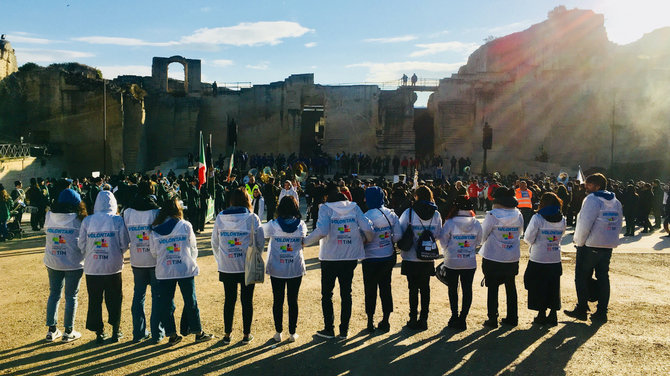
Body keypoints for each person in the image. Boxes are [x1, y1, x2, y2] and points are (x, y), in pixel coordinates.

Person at [304, 183, 374, 339]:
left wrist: (305, 241)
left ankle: (329, 328)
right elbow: (368, 228)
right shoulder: (354, 207)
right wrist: (366, 240)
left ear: (327, 196)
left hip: (330, 256)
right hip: (349, 256)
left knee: (327, 294)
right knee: (346, 293)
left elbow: (322, 230)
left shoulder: (325, 208)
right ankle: (344, 330)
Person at [150, 196, 212, 345]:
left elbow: (153, 252)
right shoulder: (185, 225)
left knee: (166, 303)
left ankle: (172, 334)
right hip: (184, 268)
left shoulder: (155, 230)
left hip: (165, 270)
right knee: (191, 301)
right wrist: (190, 259)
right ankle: (198, 331)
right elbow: (193, 247)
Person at [565, 173, 622, 323]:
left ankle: (582, 309)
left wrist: (579, 242)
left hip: (590, 245)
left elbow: (584, 223)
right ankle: (602, 311)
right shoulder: (615, 201)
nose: (585, 186)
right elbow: (618, 223)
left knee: (582, 277)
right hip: (607, 245)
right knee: (603, 277)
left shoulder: (591, 199)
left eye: (588, 184)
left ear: (597, 186)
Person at [211, 188, 264, 345]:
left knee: (229, 299)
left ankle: (227, 334)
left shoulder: (220, 217)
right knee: (247, 300)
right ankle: (246, 334)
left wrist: (220, 259)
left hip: (227, 265)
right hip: (247, 263)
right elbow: (260, 241)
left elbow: (215, 241)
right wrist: (255, 255)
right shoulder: (252, 218)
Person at [78, 191, 130, 343]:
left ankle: (99, 332)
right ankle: (116, 329)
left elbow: (81, 244)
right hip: (112, 267)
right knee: (114, 299)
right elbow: (124, 243)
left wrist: (90, 252)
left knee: (94, 300)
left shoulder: (87, 221)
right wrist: (116, 252)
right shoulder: (117, 220)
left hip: (92, 268)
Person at [43, 188, 87, 342]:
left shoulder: (49, 215)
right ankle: (69, 330)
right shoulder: (79, 219)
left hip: (53, 260)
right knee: (71, 296)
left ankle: (51, 330)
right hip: (73, 263)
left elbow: (45, 232)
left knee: (54, 294)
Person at [262, 196, 307, 343]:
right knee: (293, 300)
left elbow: (259, 233)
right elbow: (303, 240)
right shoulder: (301, 225)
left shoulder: (273, 225)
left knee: (278, 300)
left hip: (277, 268)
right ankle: (293, 332)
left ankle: (278, 332)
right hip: (294, 267)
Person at [123, 181, 164, 343]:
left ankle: (138, 332)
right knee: (157, 297)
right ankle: (157, 333)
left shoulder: (128, 212)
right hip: (154, 260)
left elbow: (125, 236)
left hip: (137, 259)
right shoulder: (157, 211)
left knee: (138, 296)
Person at [398, 185, 443, 331]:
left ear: (416, 196)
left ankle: (412, 317)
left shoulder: (409, 212)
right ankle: (424, 319)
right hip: (427, 257)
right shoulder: (436, 214)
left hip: (410, 256)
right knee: (425, 289)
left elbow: (400, 232)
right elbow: (437, 234)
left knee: (413, 289)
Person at [479, 186, 523, 328]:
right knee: (511, 287)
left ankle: (493, 318)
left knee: (492, 288)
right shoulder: (518, 214)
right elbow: (520, 232)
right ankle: (512, 317)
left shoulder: (492, 215)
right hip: (511, 256)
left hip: (493, 256)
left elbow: (482, 235)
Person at [362, 186, 402, 333]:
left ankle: (370, 321)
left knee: (370, 289)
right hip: (387, 256)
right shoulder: (390, 215)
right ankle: (386, 320)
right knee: (386, 288)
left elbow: (361, 238)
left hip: (370, 258)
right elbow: (398, 236)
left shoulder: (365, 216)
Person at [439, 195, 482, 330]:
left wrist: (449, 250)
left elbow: (443, 240)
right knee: (467, 289)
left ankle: (454, 316)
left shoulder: (450, 222)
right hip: (469, 260)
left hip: (452, 260)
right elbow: (479, 241)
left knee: (453, 288)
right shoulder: (475, 223)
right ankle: (463, 318)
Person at [523, 192, 566, 326]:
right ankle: (553, 314)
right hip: (554, 257)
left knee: (538, 286)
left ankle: (541, 313)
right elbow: (562, 235)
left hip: (539, 257)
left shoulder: (538, 218)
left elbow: (528, 237)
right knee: (553, 286)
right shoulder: (562, 219)